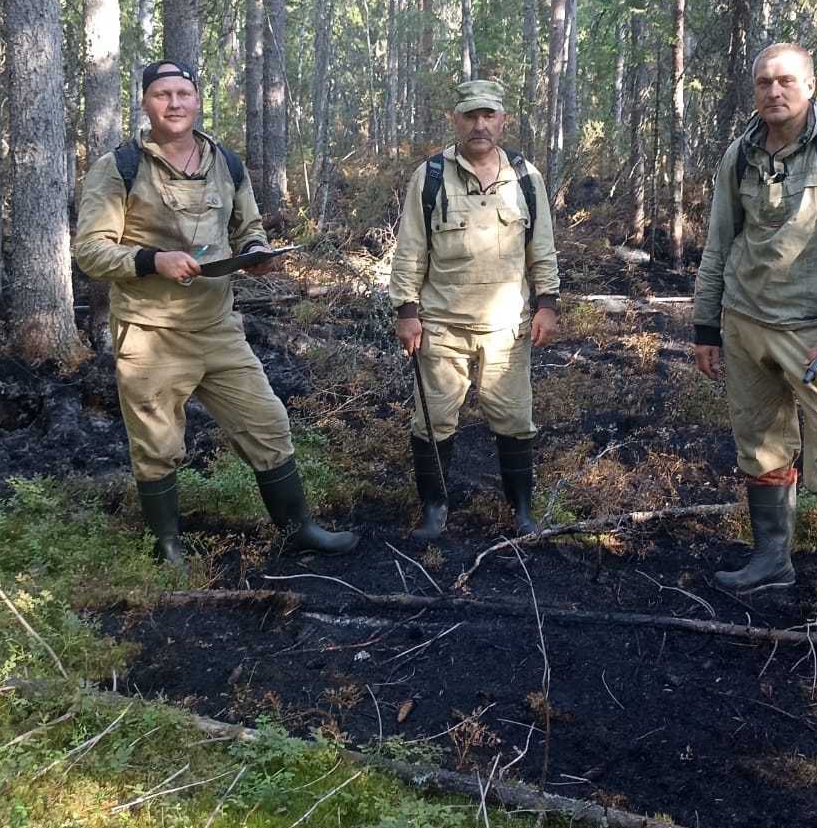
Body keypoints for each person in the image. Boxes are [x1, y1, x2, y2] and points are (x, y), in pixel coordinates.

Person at [74, 60, 357, 569]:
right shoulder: (118, 168)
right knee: (157, 446)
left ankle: (300, 530)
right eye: (163, 94)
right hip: (150, 332)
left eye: (184, 93)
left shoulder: (225, 162)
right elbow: (91, 251)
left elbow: (247, 228)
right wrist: (151, 260)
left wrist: (257, 254)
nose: (175, 103)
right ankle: (169, 550)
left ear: (198, 100)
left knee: (268, 424)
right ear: (145, 103)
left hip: (219, 328)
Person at [692, 43, 817, 639]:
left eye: (785, 81)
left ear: (810, 85)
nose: (773, 91)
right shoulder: (740, 153)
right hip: (743, 323)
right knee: (760, 445)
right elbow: (718, 244)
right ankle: (771, 560)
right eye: (763, 82)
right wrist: (707, 327)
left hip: (812, 336)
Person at [389, 79, 560, 541]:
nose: (479, 125)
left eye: (488, 116)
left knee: (515, 420)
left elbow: (540, 248)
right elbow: (410, 250)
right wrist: (407, 311)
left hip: (508, 327)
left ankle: (521, 512)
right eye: (470, 116)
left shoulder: (526, 178)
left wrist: (547, 304)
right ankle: (434, 511)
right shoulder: (428, 177)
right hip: (441, 324)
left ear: (502, 120)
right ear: (456, 119)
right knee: (431, 421)